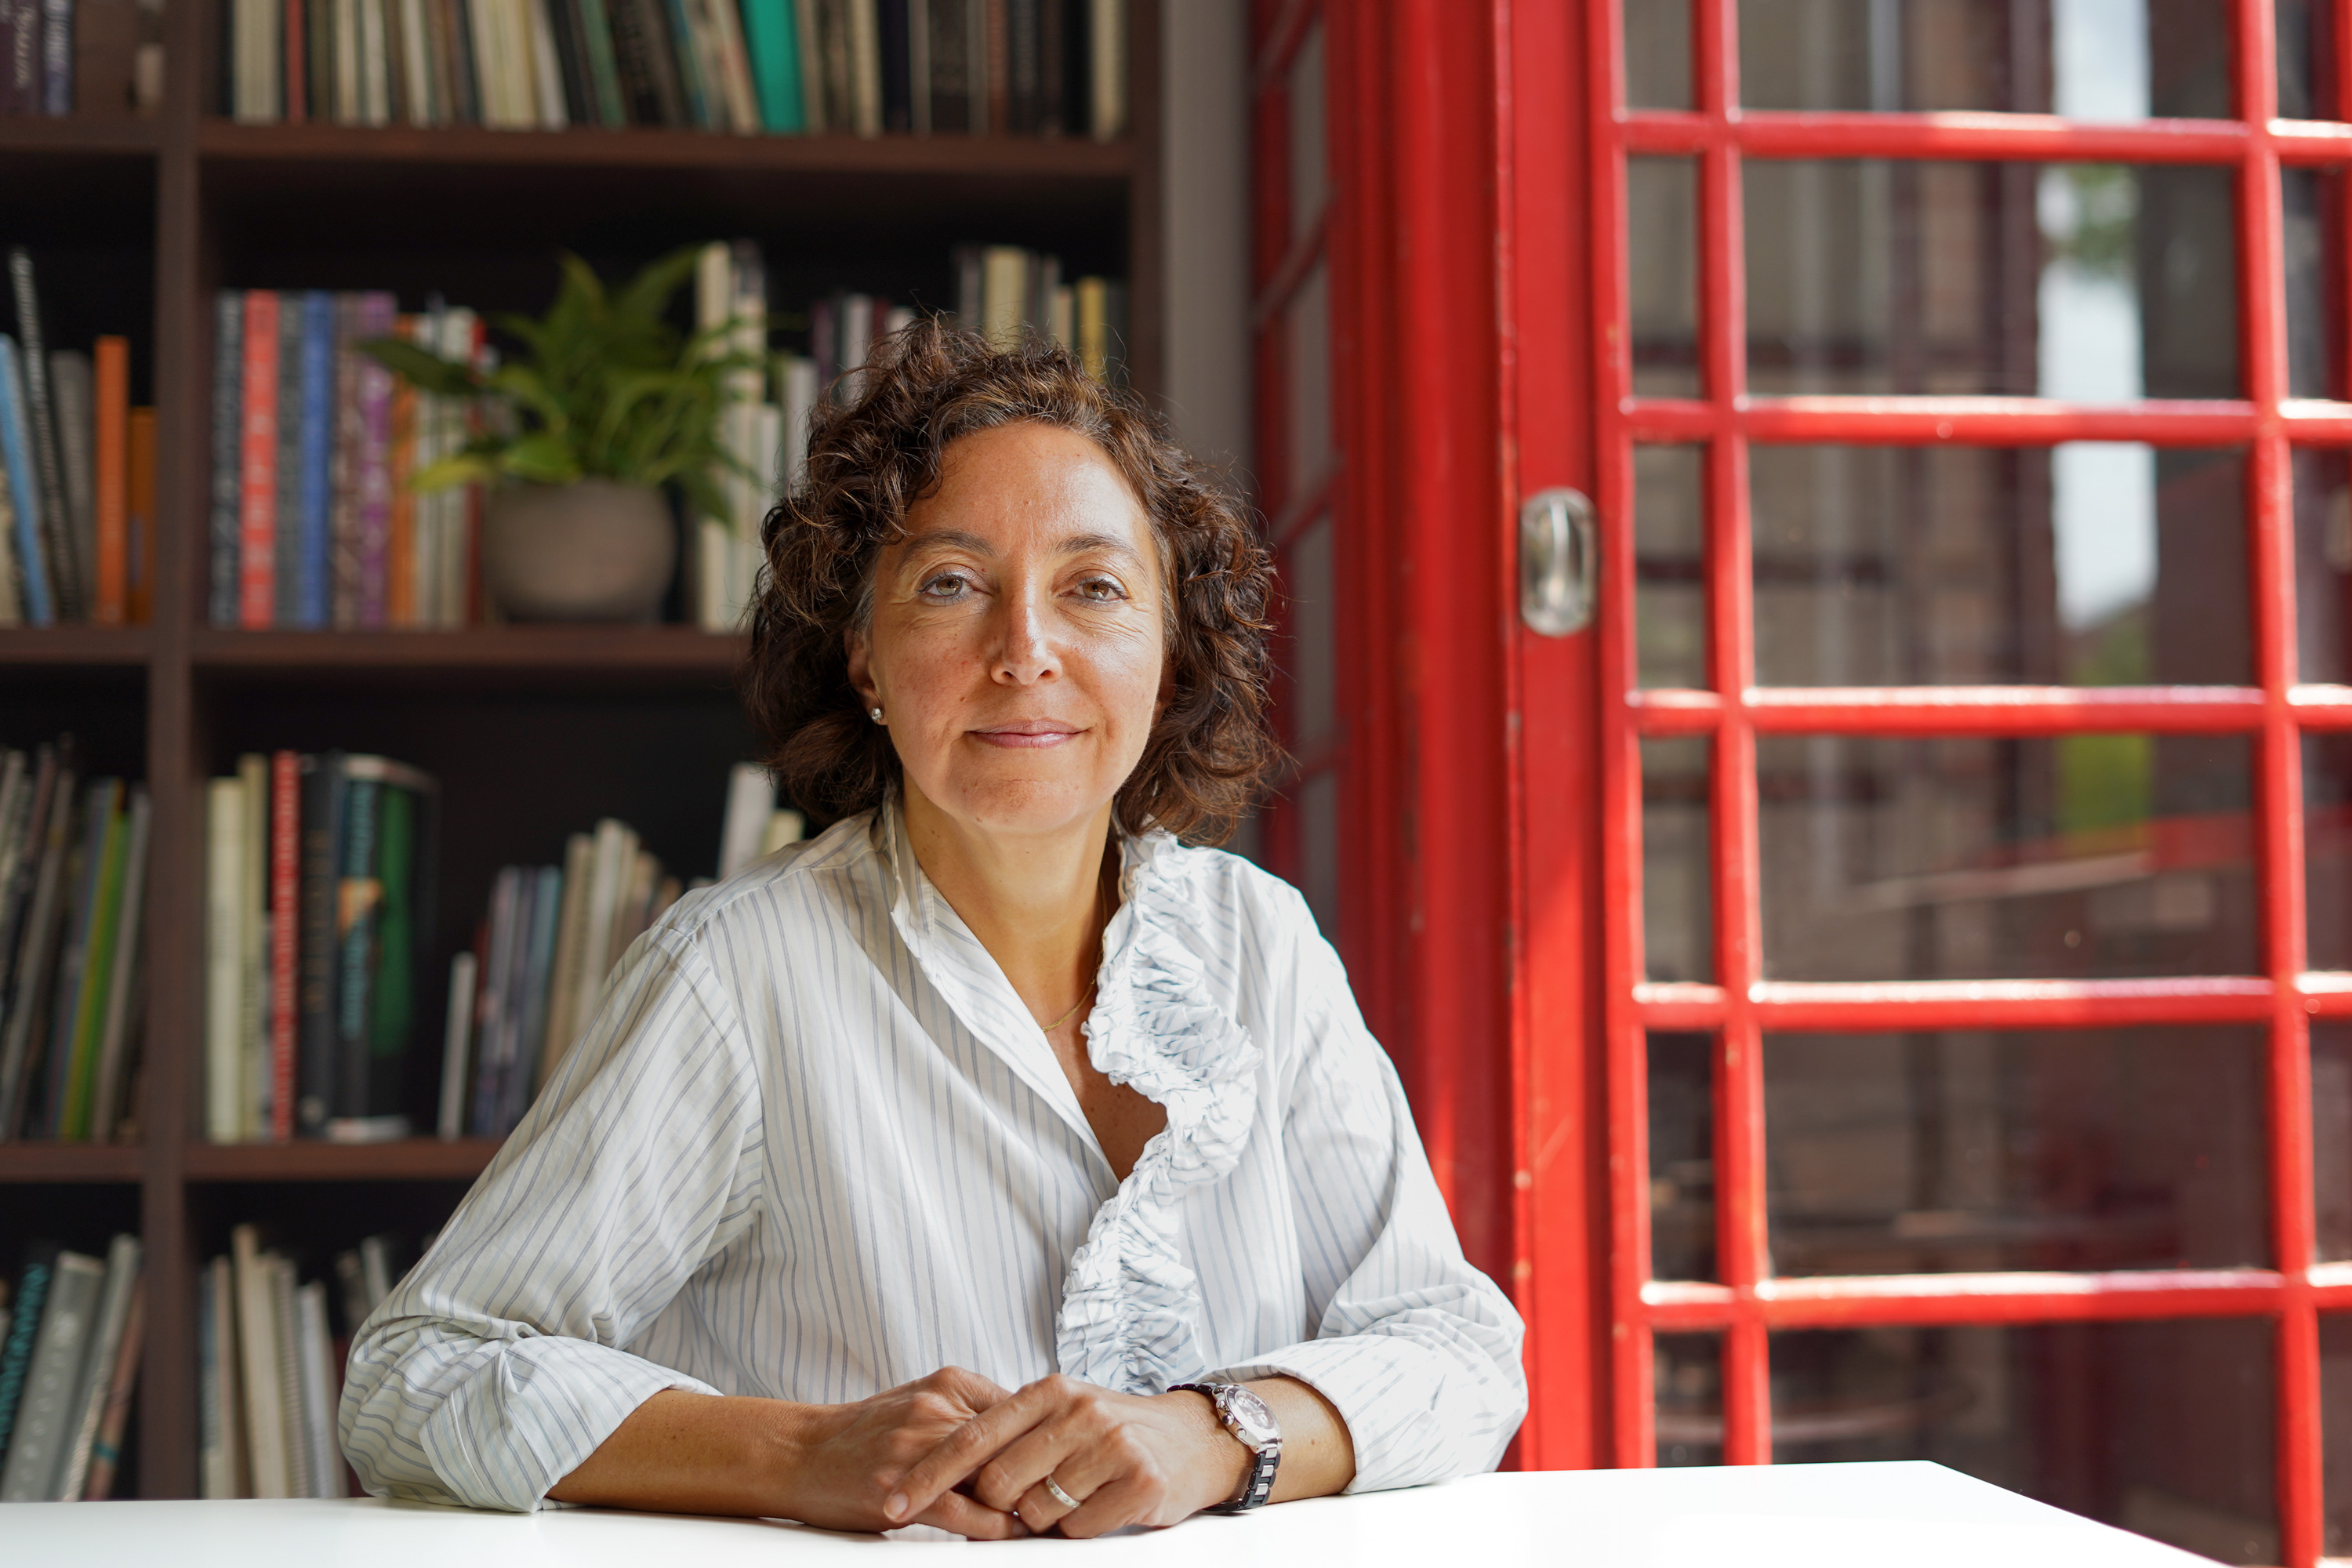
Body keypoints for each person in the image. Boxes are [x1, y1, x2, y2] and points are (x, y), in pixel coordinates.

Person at [338, 321, 1525, 1539]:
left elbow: (1460, 1351)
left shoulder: (1261, 949)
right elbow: (415, 1376)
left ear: (1167, 656)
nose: (1025, 653)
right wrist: (798, 1451)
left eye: (1094, 588)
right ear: (863, 653)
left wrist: (1219, 1433)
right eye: (950, 583)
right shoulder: (739, 974)